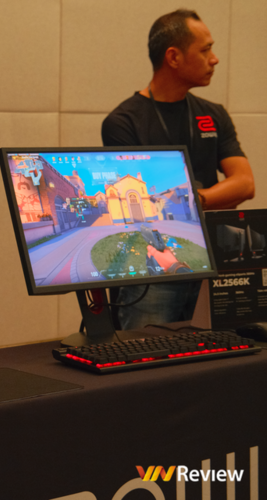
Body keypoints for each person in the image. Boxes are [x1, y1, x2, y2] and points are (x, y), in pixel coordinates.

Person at [101, 9, 255, 330]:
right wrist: (214, 198)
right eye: (205, 49)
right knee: (148, 352)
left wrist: (192, 200)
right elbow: (148, 209)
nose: (214, 59)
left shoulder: (213, 114)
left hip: (211, 261)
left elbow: (244, 184)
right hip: (153, 266)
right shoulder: (123, 122)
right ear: (173, 57)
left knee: (219, 353)